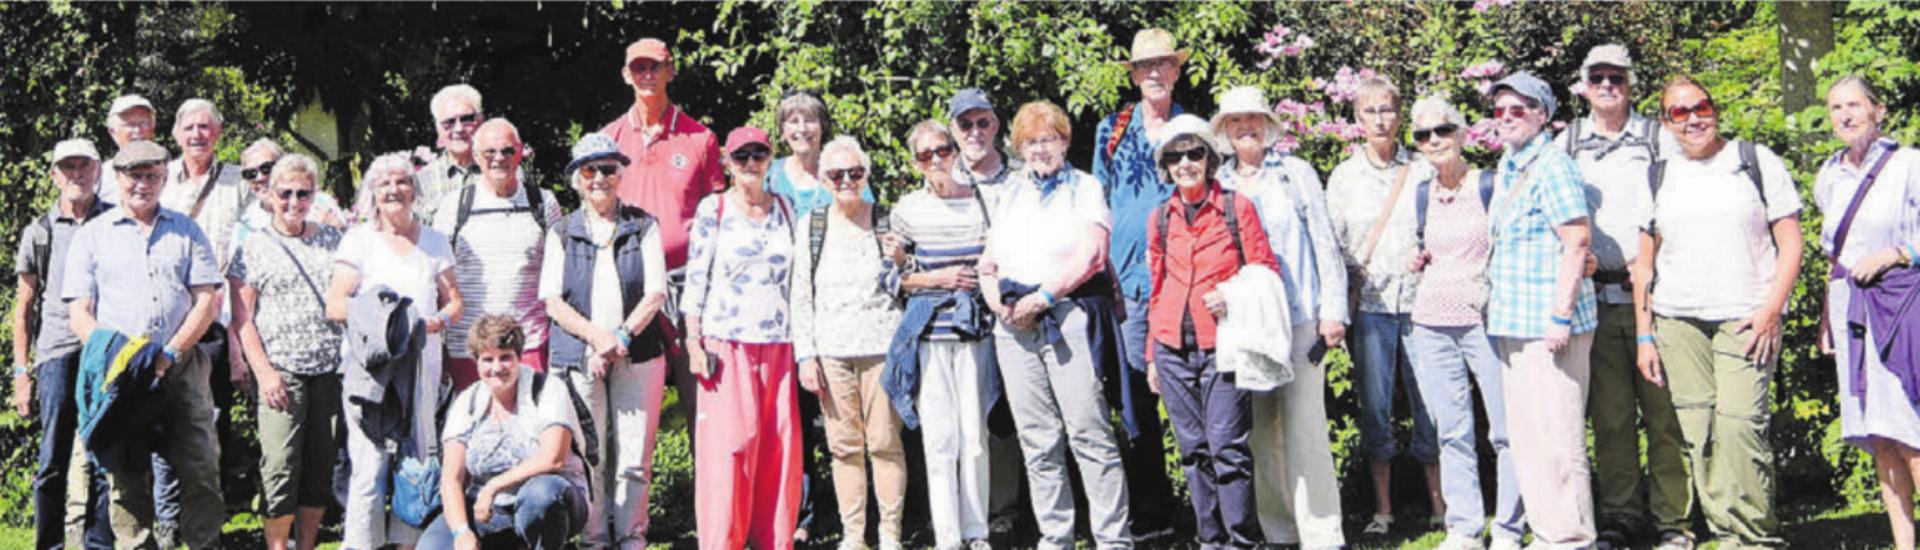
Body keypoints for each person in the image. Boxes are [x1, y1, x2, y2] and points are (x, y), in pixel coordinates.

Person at [1634, 75, 1801, 550]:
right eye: (1679, 113)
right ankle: (1726, 533)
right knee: (1699, 431)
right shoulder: (1659, 174)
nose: (1693, 119)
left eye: (1700, 107)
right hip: (1677, 320)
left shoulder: (1753, 160)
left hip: (1746, 317)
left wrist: (1772, 309)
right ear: (1665, 123)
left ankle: (1756, 538)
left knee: (1741, 426)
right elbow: (1644, 264)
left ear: (1715, 109)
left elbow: (1790, 243)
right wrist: (1645, 335)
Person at [1551, 44, 1691, 550]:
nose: (1607, 85)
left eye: (1616, 76)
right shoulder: (1566, 143)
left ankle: (1673, 519)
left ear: (1631, 83)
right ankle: (1621, 518)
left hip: (1656, 296)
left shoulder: (1659, 138)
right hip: (1598, 296)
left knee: (1664, 414)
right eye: (1597, 77)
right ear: (1583, 85)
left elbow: (1684, 205)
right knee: (1609, 420)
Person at [980, 100, 1133, 549]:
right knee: (1037, 438)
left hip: (1066, 317)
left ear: (1065, 141)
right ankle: (1055, 537)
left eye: (1048, 139)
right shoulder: (1009, 191)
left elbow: (1092, 256)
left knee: (1089, 431)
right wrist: (999, 305)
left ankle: (1112, 540)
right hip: (1013, 327)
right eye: (1029, 141)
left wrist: (1043, 297)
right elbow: (987, 263)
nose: (1039, 149)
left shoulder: (1084, 187)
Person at [63, 139, 226, 549]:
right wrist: (115, 358)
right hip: (122, 377)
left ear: (164, 178)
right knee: (127, 477)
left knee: (200, 469)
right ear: (117, 179)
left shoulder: (186, 229)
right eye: (134, 175)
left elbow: (206, 300)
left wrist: (170, 353)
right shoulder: (93, 236)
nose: (143, 184)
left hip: (183, 369)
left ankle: (204, 544)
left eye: (152, 175)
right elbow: (80, 311)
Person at [1212, 85, 1349, 550]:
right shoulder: (1219, 183)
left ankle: (1323, 534)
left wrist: (1333, 311)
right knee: (1260, 430)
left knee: (1305, 425)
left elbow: (1324, 243)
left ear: (1267, 124)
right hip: (1248, 324)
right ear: (1225, 131)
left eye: (1252, 117)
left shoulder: (1295, 173)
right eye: (1234, 120)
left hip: (1300, 317)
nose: (1244, 126)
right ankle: (1279, 531)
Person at [1144, 114, 1279, 548]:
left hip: (1222, 343)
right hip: (1171, 348)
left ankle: (1242, 540)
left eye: (1194, 152)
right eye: (1175, 156)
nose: (1185, 163)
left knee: (1227, 448)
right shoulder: (1160, 218)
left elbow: (1265, 269)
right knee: (1193, 451)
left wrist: (1232, 294)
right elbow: (1157, 286)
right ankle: (1210, 540)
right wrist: (1151, 354)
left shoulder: (1237, 208)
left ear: (1209, 158)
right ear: (1165, 165)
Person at [1483, 72, 1600, 548]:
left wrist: (1559, 317)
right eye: (1500, 110)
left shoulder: (1553, 165)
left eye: (1519, 109)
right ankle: (1550, 532)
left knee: (1558, 439)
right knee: (1529, 441)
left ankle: (1571, 538)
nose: (1506, 118)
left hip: (1549, 326)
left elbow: (1577, 242)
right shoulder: (1511, 165)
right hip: (1514, 323)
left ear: (1543, 115)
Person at [1402, 97, 1525, 550]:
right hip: (1431, 323)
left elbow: (1512, 247)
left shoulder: (1488, 185)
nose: (1434, 140)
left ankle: (1510, 528)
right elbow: (1426, 247)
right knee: (1452, 432)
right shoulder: (1422, 193)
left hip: (1485, 324)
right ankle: (1465, 528)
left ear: (1462, 133)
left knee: (1505, 431)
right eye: (1423, 135)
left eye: (1443, 130)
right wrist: (1418, 257)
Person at [539, 133, 672, 549]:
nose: (599, 178)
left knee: (634, 457)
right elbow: (552, 301)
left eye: (608, 168)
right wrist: (598, 340)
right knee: (588, 455)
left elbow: (655, 292)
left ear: (620, 174)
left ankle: (632, 536)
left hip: (639, 354)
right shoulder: (561, 232)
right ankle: (594, 539)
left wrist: (619, 338)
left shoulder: (643, 225)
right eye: (589, 170)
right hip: (579, 356)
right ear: (576, 179)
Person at [1323, 75, 1444, 535]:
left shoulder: (1422, 170)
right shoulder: (1343, 178)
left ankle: (1440, 506)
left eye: (1388, 109)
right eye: (1370, 111)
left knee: (1429, 405)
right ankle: (1382, 511)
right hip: (1371, 307)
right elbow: (1333, 247)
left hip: (1421, 304)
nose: (1380, 118)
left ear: (1400, 115)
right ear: (1357, 119)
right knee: (1375, 408)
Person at [326, 153, 463, 550]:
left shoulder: (435, 240)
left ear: (414, 190)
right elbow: (336, 304)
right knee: (368, 466)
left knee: (417, 460)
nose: (393, 190)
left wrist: (438, 321)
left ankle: (410, 544)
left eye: (402, 181)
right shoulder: (359, 240)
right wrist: (384, 325)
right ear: (371, 192)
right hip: (371, 371)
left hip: (422, 364)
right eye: (384, 183)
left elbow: (454, 300)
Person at [600, 36, 728, 439]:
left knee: (701, 396)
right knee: (629, 403)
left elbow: (720, 215)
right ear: (626, 75)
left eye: (656, 66)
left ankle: (704, 500)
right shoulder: (609, 139)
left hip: (686, 283)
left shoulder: (698, 138)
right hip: (629, 283)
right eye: (639, 67)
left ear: (671, 71)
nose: (648, 75)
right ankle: (627, 502)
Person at [682, 126, 802, 550]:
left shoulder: (786, 208)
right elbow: (694, 282)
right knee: (731, 449)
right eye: (741, 157)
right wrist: (693, 344)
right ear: (728, 164)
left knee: (778, 450)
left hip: (780, 341)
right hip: (725, 343)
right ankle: (722, 542)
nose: (751, 164)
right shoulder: (713, 209)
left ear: (770, 159)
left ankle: (774, 541)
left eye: (759, 155)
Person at [1091, 28, 1188, 539]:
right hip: (1127, 286)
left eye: (1163, 65)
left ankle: (1214, 512)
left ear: (1176, 70)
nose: (1154, 73)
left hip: (1186, 285)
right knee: (1136, 408)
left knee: (1197, 400)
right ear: (1132, 75)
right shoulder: (1113, 128)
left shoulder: (1192, 130)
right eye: (1144, 66)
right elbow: (1097, 210)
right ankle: (1153, 515)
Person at [1816, 75, 1920, 550]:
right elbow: (1833, 258)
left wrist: (1898, 253)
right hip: (1849, 309)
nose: (1845, 115)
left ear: (1878, 111)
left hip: (1900, 304)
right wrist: (1825, 320)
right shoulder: (1829, 176)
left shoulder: (1909, 165)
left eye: (1855, 105)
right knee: (1879, 433)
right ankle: (1904, 544)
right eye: (1836, 108)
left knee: (1909, 427)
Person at [790, 136, 908, 550]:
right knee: (844, 448)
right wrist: (805, 355)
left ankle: (889, 533)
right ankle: (854, 535)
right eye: (836, 174)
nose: (846, 180)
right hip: (832, 352)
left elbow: (909, 282)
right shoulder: (812, 226)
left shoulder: (887, 221)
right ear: (823, 179)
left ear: (867, 176)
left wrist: (901, 261)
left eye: (855, 173)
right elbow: (801, 296)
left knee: (884, 444)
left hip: (882, 349)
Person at [888, 120, 998, 550]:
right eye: (924, 154)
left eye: (942, 150)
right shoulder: (906, 210)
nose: (935, 159)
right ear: (914, 162)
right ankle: (948, 538)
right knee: (939, 440)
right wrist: (941, 278)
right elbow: (892, 280)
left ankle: (977, 533)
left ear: (954, 151)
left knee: (975, 438)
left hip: (976, 333)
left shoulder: (981, 203)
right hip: (930, 336)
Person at [227, 154, 345, 550]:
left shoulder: (333, 239)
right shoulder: (254, 245)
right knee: (280, 465)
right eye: (286, 193)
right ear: (270, 195)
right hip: (282, 371)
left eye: (303, 193)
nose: (294, 201)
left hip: (328, 369)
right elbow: (243, 319)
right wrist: (265, 373)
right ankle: (278, 546)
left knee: (318, 466)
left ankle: (307, 544)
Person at [13, 139, 116, 550]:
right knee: (53, 458)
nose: (76, 174)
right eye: (67, 167)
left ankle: (98, 544)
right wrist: (22, 372)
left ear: (98, 171)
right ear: (55, 175)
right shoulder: (39, 231)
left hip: (105, 350)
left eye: (84, 166)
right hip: (55, 351)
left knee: (106, 454)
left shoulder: (116, 222)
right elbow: (22, 306)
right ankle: (50, 545)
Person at [421, 315, 591, 550]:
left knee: (541, 496)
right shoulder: (466, 403)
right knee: (431, 547)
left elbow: (554, 458)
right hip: (488, 509)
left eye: (505, 358)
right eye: (487, 359)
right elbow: (451, 478)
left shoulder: (548, 389)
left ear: (519, 358)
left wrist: (493, 486)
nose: (497, 368)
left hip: (552, 498)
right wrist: (462, 532)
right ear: (476, 362)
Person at [945, 87, 1027, 535]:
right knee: (964, 411)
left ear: (996, 125)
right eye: (965, 124)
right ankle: (962, 506)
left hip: (1012, 303)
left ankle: (1006, 508)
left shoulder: (1020, 176)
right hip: (959, 307)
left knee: (1006, 410)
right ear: (954, 130)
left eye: (982, 122)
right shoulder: (939, 171)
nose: (974, 132)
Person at [432, 118, 564, 390]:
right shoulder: (453, 206)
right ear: (476, 156)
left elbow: (557, 276)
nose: (499, 159)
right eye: (490, 152)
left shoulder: (544, 203)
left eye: (507, 151)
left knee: (530, 426)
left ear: (520, 152)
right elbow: (438, 278)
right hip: (469, 348)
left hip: (529, 344)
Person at [416, 84, 487, 220]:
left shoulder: (505, 173)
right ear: (438, 129)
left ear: (481, 121)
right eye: (449, 122)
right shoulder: (422, 182)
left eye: (466, 119)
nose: (459, 128)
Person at [97, 94, 157, 203]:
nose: (138, 130)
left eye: (144, 123)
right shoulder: (99, 176)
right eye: (130, 124)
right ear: (113, 132)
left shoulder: (170, 173)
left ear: (153, 128)